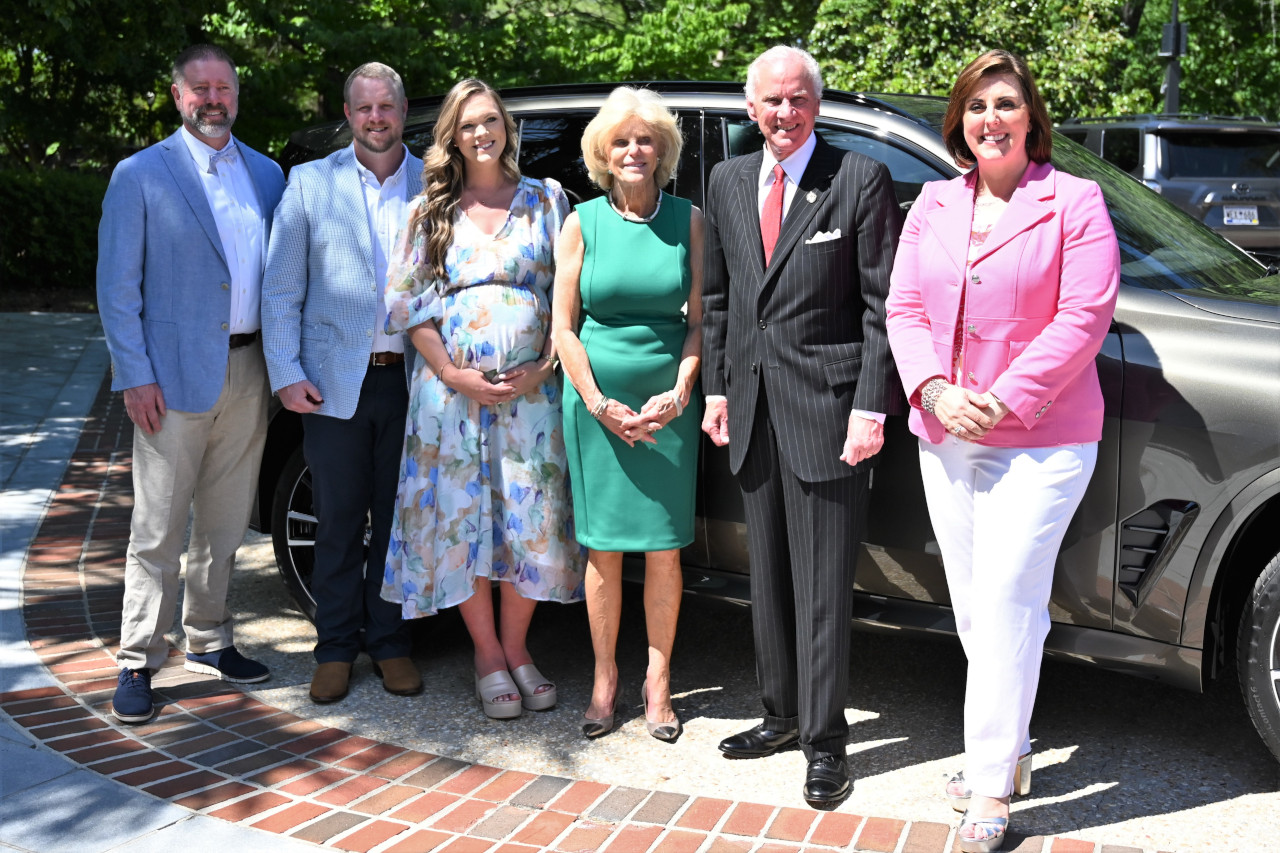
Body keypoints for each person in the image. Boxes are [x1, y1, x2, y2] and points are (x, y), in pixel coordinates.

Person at [885, 50, 1119, 852]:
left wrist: (1005, 397)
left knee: (1010, 597)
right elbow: (905, 307)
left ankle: (988, 789)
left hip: (1044, 438)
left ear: (1031, 117)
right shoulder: (932, 204)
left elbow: (1085, 315)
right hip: (947, 433)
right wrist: (932, 390)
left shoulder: (1075, 202)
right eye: (978, 105)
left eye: (1006, 104)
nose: (992, 119)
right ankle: (1011, 749)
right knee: (976, 609)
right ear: (962, 120)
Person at [700, 46, 902, 807]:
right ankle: (779, 714)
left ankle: (825, 741)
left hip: (829, 411)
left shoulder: (857, 179)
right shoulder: (726, 180)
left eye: (797, 100)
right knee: (770, 579)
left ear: (815, 105)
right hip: (751, 410)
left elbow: (883, 309)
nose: (784, 114)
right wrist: (717, 389)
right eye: (771, 101)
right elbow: (719, 298)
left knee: (822, 588)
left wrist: (870, 405)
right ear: (750, 109)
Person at [380, 78, 585, 719]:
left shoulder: (546, 201)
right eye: (468, 125)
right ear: (453, 136)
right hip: (451, 399)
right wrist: (452, 372)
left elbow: (568, 294)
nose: (482, 133)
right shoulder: (430, 211)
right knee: (466, 518)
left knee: (528, 519)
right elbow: (408, 305)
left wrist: (545, 364)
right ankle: (487, 654)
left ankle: (520, 649)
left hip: (531, 396)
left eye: (491, 120)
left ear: (506, 127)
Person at [97, 44, 285, 723]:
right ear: (177, 96)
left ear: (237, 96)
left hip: (250, 369)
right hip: (169, 379)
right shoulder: (140, 174)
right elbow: (117, 287)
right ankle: (138, 656)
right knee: (157, 527)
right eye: (199, 88)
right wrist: (134, 373)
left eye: (224, 88)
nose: (213, 99)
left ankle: (207, 635)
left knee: (226, 520)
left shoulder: (267, 175)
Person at [262, 62, 423, 704]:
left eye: (386, 106)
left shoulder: (434, 180)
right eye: (364, 108)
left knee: (397, 521)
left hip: (414, 379)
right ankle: (334, 648)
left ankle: (389, 643)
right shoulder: (308, 183)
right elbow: (280, 288)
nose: (376, 118)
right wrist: (285, 372)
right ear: (348, 113)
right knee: (336, 521)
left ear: (403, 110)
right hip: (331, 385)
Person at [551, 87, 704, 742]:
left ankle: (659, 679)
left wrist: (680, 391)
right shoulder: (580, 222)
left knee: (666, 550)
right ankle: (605, 677)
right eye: (621, 141)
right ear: (603, 154)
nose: (634, 150)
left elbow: (698, 324)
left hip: (667, 412)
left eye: (645, 139)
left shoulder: (689, 220)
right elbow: (562, 327)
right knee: (605, 549)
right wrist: (596, 401)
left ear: (662, 149)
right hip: (596, 409)